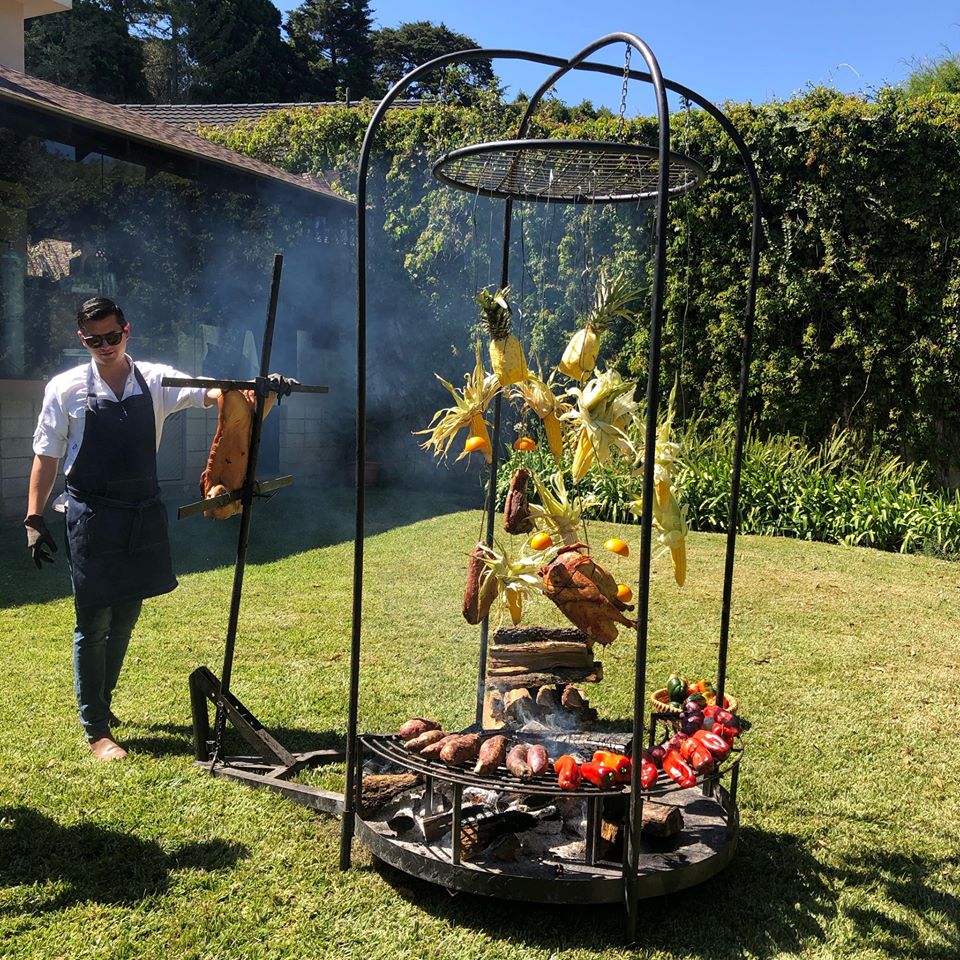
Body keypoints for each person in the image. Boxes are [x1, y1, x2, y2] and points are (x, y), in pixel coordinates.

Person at [24, 297, 218, 760]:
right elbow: (46, 455)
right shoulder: (65, 388)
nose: (106, 346)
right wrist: (33, 516)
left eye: (113, 336)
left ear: (127, 330)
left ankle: (103, 703)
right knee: (93, 621)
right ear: (82, 339)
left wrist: (255, 388)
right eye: (95, 340)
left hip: (139, 513)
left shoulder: (155, 378)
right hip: (90, 515)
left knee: (126, 617)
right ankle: (95, 729)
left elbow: (210, 392)